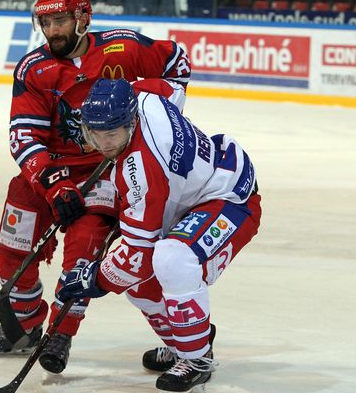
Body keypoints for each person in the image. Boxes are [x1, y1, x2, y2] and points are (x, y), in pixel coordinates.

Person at [0, 0, 191, 374]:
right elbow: (24, 135)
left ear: (82, 18)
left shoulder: (122, 47)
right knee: (12, 248)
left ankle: (61, 332)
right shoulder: (32, 68)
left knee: (83, 248)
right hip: (46, 173)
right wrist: (53, 183)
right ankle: (23, 325)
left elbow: (176, 61)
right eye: (46, 22)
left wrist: (156, 111)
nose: (52, 31)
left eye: (60, 21)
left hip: (103, 170)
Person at [57, 77, 262, 392]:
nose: (103, 144)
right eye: (94, 134)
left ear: (130, 122)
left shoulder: (141, 170)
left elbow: (137, 259)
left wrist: (93, 279)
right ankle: (185, 342)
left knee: (172, 259)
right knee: (139, 286)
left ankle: (197, 359)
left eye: (111, 134)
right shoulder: (143, 94)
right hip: (192, 196)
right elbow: (175, 88)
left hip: (230, 197)